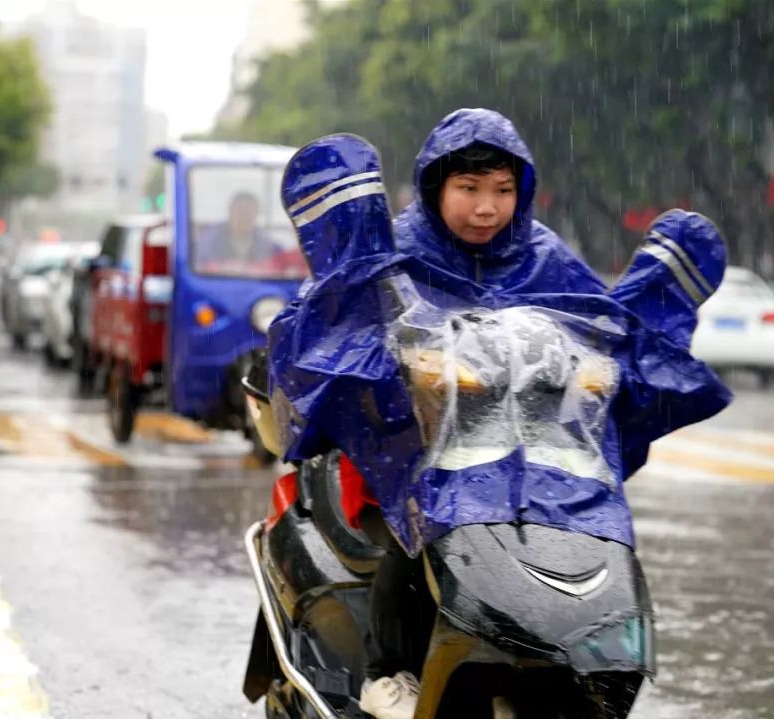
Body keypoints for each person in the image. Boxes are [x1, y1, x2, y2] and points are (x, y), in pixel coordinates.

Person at [270, 112, 729, 719]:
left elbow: (596, 327)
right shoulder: (396, 254)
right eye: (469, 190)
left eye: (502, 191)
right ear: (436, 188)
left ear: (524, 191)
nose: (486, 208)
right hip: (407, 448)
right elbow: (332, 314)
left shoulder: (545, 256)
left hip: (534, 454)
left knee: (594, 522)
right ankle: (388, 670)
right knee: (418, 513)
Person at [193, 192, 282, 272]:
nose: (244, 217)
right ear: (230, 212)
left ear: (256, 214)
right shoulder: (207, 242)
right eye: (240, 212)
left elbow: (281, 265)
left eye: (249, 212)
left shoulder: (269, 246)